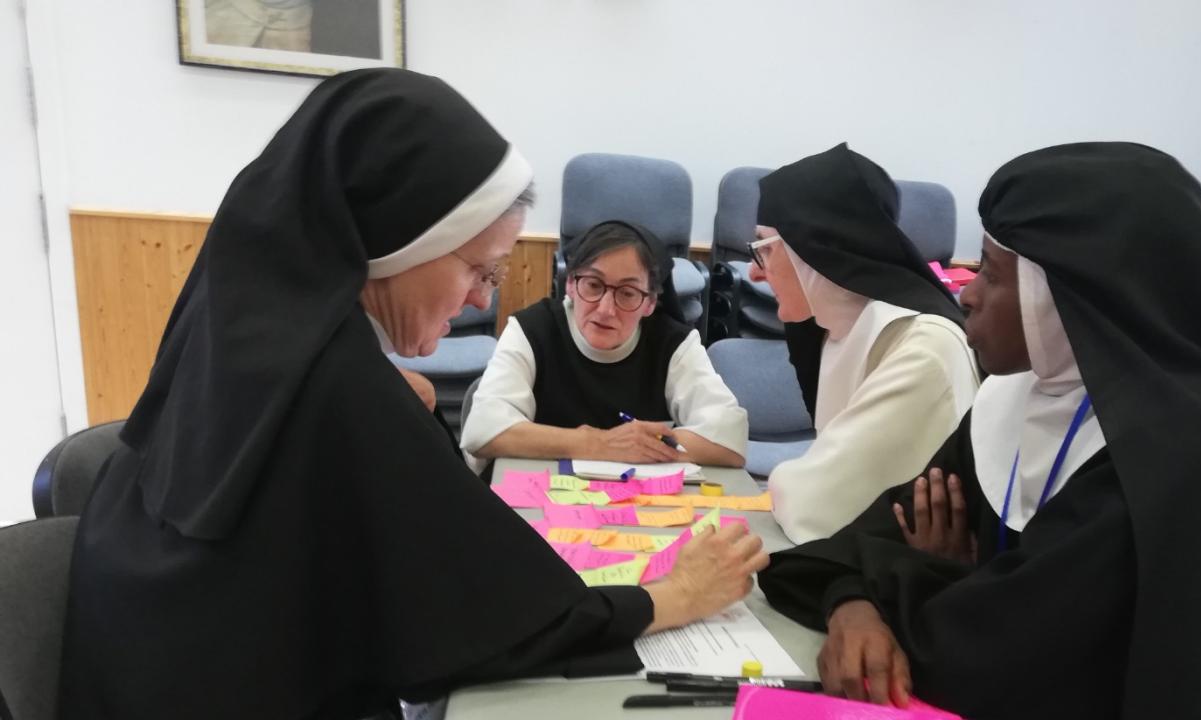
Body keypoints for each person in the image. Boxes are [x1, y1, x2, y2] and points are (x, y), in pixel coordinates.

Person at [59, 69, 767, 720]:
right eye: (480, 269)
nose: (477, 297)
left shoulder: (243, 308)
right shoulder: (339, 384)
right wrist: (670, 597)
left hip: (131, 660)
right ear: (400, 239)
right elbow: (487, 619)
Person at [756, 143, 1201, 719]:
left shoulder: (1169, 461)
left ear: (1070, 296)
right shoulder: (1016, 396)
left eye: (993, 271)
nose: (966, 292)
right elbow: (850, 548)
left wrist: (928, 579)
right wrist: (855, 602)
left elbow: (992, 660)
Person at [748, 144, 980, 543]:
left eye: (764, 250)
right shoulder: (842, 328)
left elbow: (818, 504)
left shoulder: (923, 348)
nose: (753, 272)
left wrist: (790, 479)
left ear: (812, 249)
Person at [463, 220, 747, 473]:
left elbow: (729, 440)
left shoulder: (673, 344)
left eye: (627, 293)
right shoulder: (532, 330)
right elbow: (484, 431)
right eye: (593, 285)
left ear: (649, 302)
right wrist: (601, 444)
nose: (605, 309)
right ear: (571, 285)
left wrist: (634, 444)